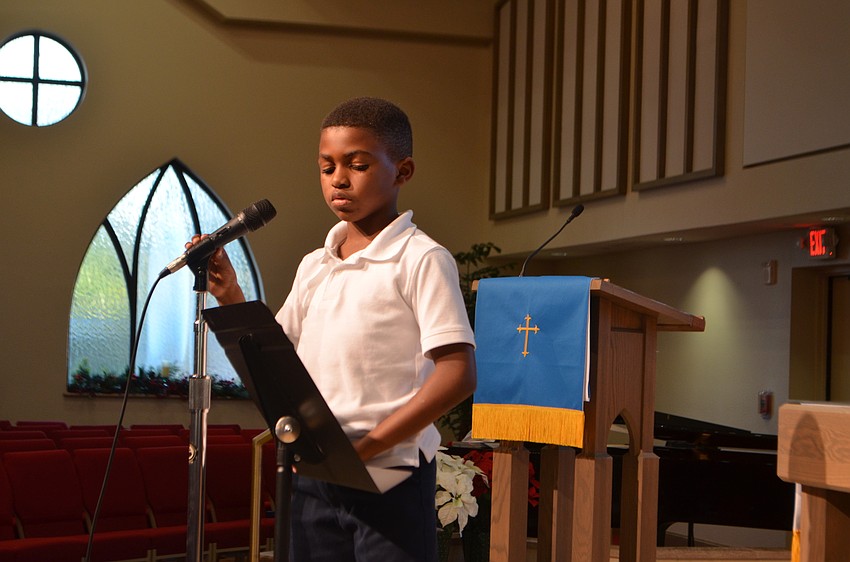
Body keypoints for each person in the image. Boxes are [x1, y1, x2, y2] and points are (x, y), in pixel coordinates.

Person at [193, 97, 476, 561]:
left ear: (402, 171)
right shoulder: (315, 265)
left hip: (390, 471)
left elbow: (458, 373)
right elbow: (275, 359)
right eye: (326, 167)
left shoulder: (421, 258)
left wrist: (370, 445)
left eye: (357, 165)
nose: (338, 179)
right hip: (316, 468)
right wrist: (231, 296)